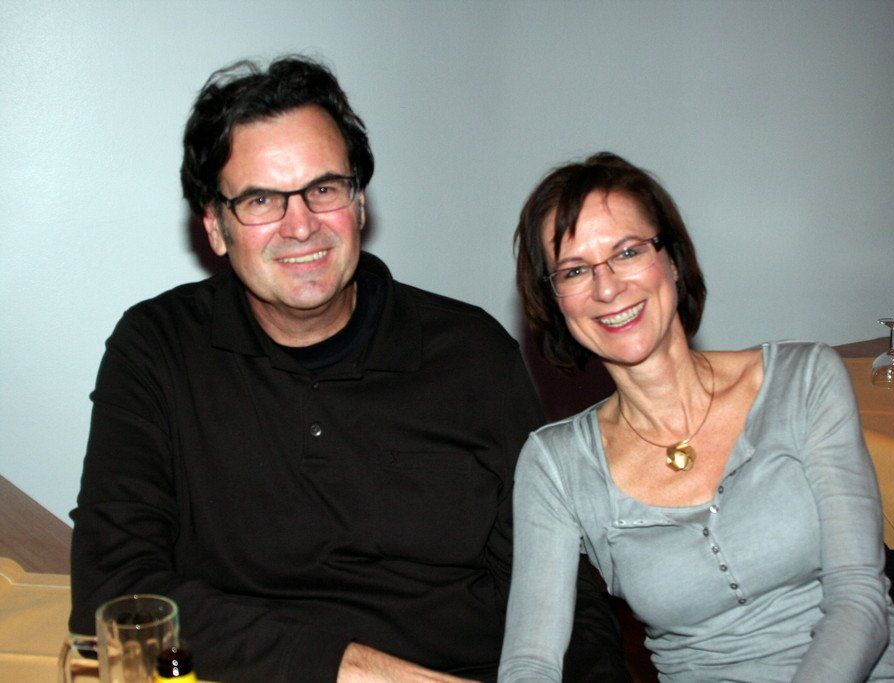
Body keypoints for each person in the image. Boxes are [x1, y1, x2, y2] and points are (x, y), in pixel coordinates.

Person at [69, 57, 629, 683]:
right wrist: (367, 673)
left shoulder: (471, 354)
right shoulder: (158, 350)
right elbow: (114, 593)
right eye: (260, 200)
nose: (301, 225)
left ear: (359, 203)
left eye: (324, 189)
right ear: (216, 227)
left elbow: (563, 593)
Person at [498, 152, 894, 681]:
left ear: (673, 260)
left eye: (628, 252)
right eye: (574, 270)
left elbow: (859, 602)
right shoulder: (556, 464)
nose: (607, 287)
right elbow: (530, 663)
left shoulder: (803, 380)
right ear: (554, 300)